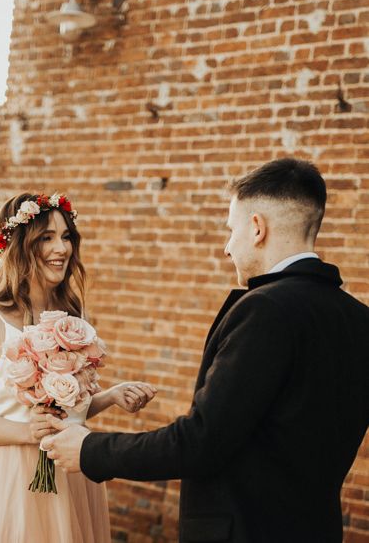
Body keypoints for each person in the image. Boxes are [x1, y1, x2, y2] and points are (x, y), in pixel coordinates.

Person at [42, 159, 369, 542]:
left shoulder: (266, 309)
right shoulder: (358, 319)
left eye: (232, 231)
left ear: (257, 228)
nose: (228, 247)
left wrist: (90, 450)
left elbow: (201, 441)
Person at [0, 192, 157, 542]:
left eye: (66, 236)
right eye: (47, 238)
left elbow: (65, 410)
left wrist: (109, 396)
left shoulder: (72, 319)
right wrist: (29, 432)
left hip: (71, 472)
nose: (62, 248)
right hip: (9, 479)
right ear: (19, 245)